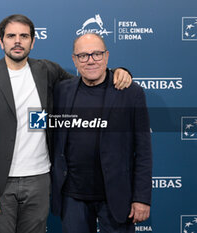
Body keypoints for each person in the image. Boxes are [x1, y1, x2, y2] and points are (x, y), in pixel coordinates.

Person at [0, 14, 132, 233]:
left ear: (33, 42)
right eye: (11, 36)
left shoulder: (46, 70)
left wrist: (118, 72)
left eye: (24, 36)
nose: (18, 41)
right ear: (1, 41)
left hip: (39, 180)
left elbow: (86, 80)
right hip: (0, 184)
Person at [51, 33, 152, 233]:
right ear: (74, 60)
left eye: (96, 54)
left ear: (106, 56)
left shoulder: (130, 93)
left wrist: (141, 198)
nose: (91, 61)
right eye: (83, 56)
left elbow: (143, 151)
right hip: (72, 196)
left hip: (115, 196)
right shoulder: (62, 91)